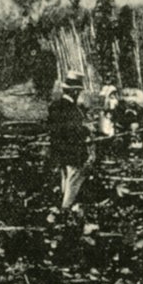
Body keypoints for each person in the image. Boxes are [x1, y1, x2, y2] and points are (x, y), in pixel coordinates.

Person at [48, 71, 91, 213]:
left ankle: (62, 205)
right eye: (78, 92)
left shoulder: (54, 105)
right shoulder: (72, 109)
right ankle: (65, 208)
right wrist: (86, 132)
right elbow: (72, 130)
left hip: (58, 148)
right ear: (74, 92)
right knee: (75, 178)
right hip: (72, 149)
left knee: (65, 177)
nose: (78, 95)